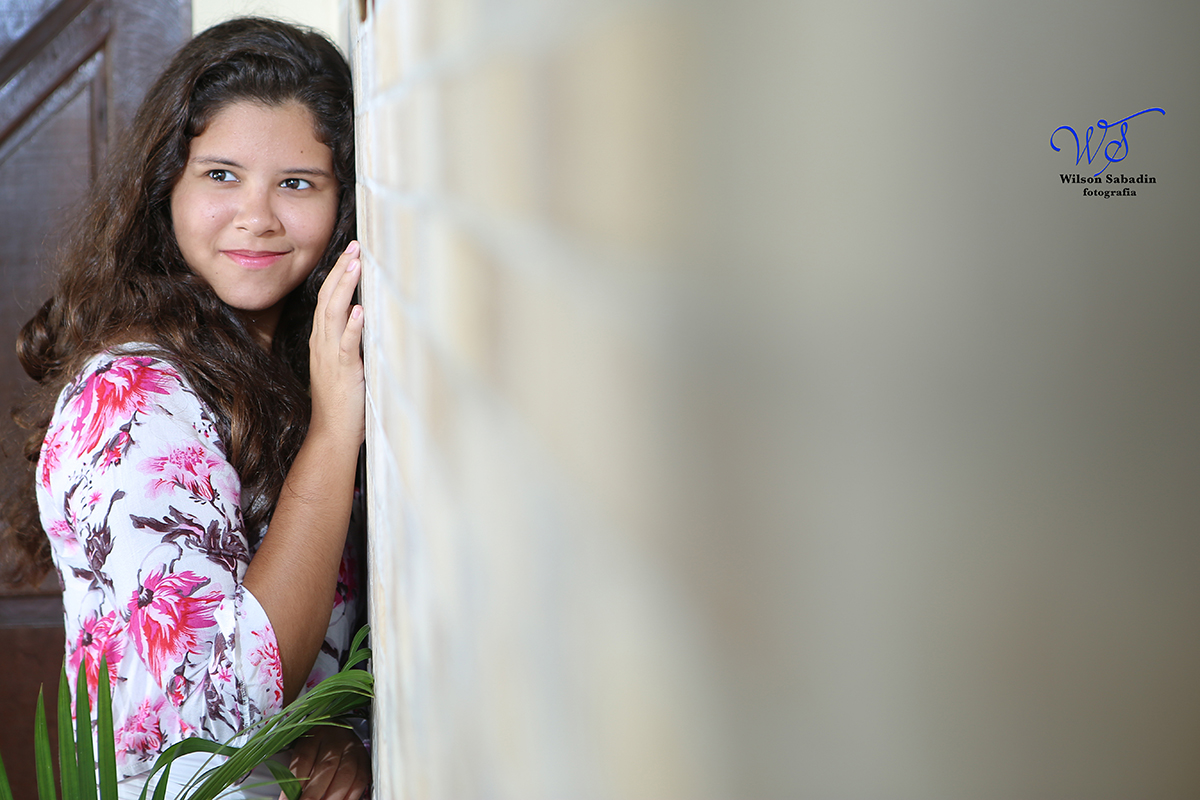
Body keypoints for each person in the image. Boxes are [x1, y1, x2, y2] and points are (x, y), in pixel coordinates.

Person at [1, 17, 369, 800]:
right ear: (166, 183)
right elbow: (225, 700)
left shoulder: (294, 367)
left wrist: (339, 730)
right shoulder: (132, 396)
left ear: (342, 204)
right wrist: (336, 432)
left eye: (297, 182)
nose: (257, 217)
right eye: (222, 175)